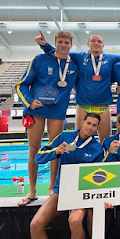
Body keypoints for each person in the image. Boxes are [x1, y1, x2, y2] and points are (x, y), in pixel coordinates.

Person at [36, 32, 120, 143]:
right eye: (93, 41)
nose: (96, 43)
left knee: (105, 142)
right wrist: (45, 46)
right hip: (83, 106)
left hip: (103, 107)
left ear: (103, 45)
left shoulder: (111, 59)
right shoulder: (79, 57)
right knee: (80, 141)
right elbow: (61, 51)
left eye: (99, 41)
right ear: (88, 44)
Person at [16, 30, 78, 205]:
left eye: (67, 43)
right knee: (34, 148)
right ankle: (32, 190)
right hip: (37, 110)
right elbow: (21, 85)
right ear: (55, 43)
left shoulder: (74, 65)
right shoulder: (39, 60)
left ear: (71, 45)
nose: (64, 45)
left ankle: (52, 188)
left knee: (56, 148)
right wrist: (29, 102)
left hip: (57, 112)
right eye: (60, 42)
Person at [30, 113, 106, 239]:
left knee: (75, 221)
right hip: (62, 191)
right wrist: (56, 152)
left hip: (81, 194)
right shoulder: (64, 138)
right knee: (35, 224)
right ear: (82, 122)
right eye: (88, 123)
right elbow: (38, 157)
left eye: (94, 125)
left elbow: (100, 177)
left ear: (97, 128)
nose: (90, 127)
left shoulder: (98, 149)